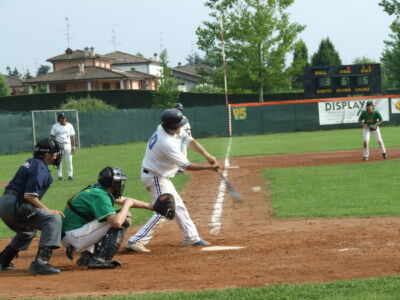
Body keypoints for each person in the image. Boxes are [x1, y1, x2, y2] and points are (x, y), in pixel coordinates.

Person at [125, 108, 220, 253]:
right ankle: (136, 240)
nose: (181, 127)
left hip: (160, 175)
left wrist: (207, 155)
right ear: (172, 127)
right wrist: (209, 167)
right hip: (155, 176)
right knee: (164, 210)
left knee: (178, 206)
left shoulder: (165, 128)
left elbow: (188, 140)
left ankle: (191, 238)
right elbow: (187, 166)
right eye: (179, 125)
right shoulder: (166, 143)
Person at [61, 166, 154, 269]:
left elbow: (125, 200)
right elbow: (117, 222)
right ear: (112, 183)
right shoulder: (100, 196)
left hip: (70, 235)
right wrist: (127, 206)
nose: (121, 185)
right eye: (119, 182)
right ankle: (100, 259)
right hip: (74, 237)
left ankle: (88, 257)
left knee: (110, 217)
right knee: (124, 218)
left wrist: (151, 207)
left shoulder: (96, 191)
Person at [0, 138, 65, 275]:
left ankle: (3, 260)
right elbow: (29, 196)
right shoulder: (40, 168)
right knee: (53, 219)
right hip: (15, 204)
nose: (57, 155)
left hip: (5, 202)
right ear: (46, 155)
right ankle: (41, 263)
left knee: (28, 230)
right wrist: (49, 211)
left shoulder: (31, 162)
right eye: (55, 153)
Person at [50, 112, 76, 181]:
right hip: (58, 145)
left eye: (64, 118)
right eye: (62, 118)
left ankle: (70, 175)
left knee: (69, 161)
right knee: (58, 161)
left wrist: (73, 146)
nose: (63, 119)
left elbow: (73, 136)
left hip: (67, 145)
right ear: (59, 119)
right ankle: (60, 175)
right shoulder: (55, 126)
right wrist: (54, 146)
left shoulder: (69, 125)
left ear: (66, 118)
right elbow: (52, 136)